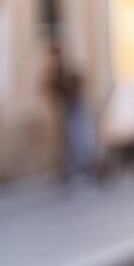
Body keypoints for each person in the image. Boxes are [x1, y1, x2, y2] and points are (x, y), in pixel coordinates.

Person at [45, 44, 97, 181]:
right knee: (73, 138)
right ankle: (77, 168)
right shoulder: (58, 71)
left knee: (79, 137)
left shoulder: (67, 69)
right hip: (69, 107)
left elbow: (74, 84)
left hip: (75, 106)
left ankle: (84, 168)